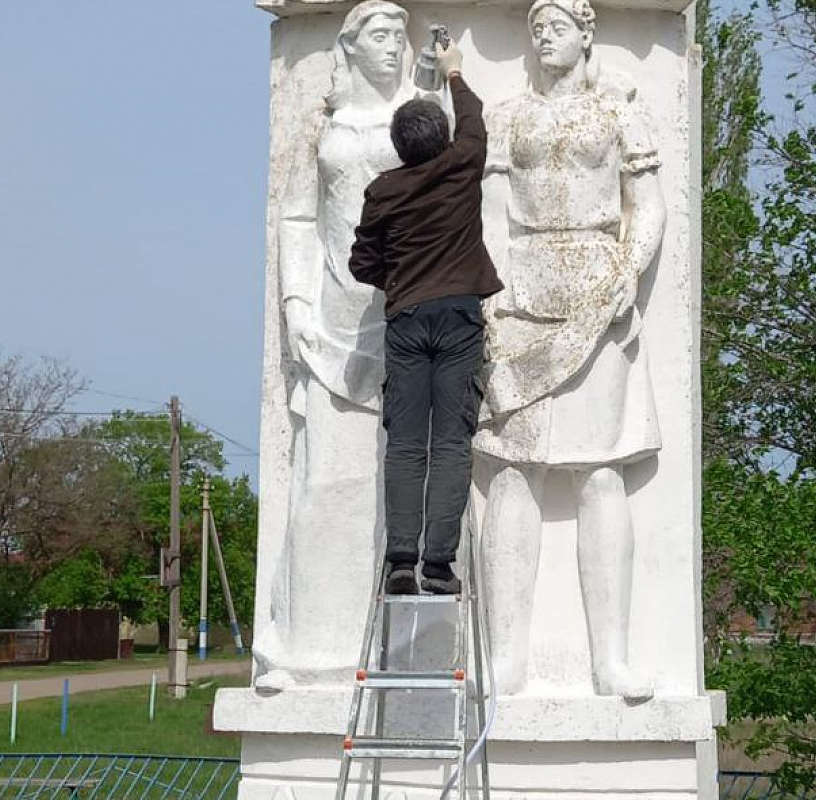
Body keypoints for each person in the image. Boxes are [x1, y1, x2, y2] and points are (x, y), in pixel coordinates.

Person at [475, 0, 666, 700]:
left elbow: (647, 206)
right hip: (522, 293)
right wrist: (492, 294)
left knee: (601, 474)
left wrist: (628, 273)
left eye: (556, 26)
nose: (542, 37)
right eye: (535, 28)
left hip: (596, 289)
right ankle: (505, 660)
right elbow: (491, 212)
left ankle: (609, 660)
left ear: (587, 33)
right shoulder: (507, 115)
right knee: (511, 473)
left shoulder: (619, 111)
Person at [254, 0, 416, 691]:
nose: (392, 47)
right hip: (330, 323)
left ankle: (391, 650)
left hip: (404, 318)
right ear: (350, 46)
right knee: (321, 486)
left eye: (399, 37)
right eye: (380, 35)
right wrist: (294, 303)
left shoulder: (419, 119)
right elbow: (295, 217)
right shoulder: (324, 127)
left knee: (396, 493)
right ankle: (303, 648)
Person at [349, 39, 503, 596]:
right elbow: (475, 123)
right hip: (459, 318)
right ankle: (439, 566)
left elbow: (361, 261)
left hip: (408, 321)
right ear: (441, 141)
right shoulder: (463, 164)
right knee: (453, 443)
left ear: (398, 146)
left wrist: (401, 282)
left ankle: (399, 561)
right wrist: (455, 70)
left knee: (407, 444)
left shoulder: (384, 190)